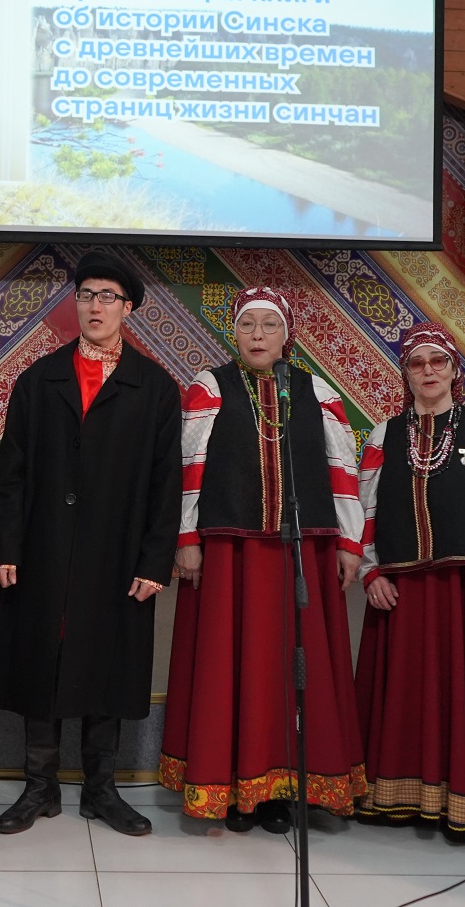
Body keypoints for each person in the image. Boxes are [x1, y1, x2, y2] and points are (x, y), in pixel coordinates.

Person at [0, 250, 182, 837]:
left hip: (116, 552)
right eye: (87, 295)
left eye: (108, 297)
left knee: (107, 661)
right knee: (40, 657)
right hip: (42, 546)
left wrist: (155, 559)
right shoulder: (38, 379)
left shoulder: (154, 387)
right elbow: (10, 474)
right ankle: (39, 787)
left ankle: (101, 789)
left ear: (128, 309)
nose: (96, 307)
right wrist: (6, 547)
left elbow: (166, 483)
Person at [161, 285, 367, 834]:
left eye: (269, 325)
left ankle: (283, 789)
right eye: (247, 325)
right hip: (230, 552)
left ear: (286, 335)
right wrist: (187, 537)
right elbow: (189, 467)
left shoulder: (316, 391)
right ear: (234, 333)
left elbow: (342, 469)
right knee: (229, 667)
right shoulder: (211, 386)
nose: (257, 335)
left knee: (291, 668)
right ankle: (228, 786)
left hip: (300, 553)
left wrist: (350, 543)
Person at [354, 322, 465, 841]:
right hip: (402, 592)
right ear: (406, 374)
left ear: (455, 372)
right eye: (417, 363)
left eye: (439, 362)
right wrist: (369, 571)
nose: (428, 371)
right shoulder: (383, 435)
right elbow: (365, 513)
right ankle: (400, 798)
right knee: (408, 695)